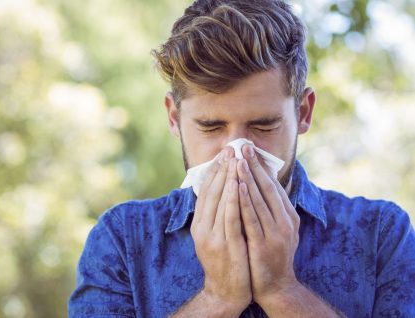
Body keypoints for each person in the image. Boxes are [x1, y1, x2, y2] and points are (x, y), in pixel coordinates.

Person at [68, 0, 415, 317]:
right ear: (174, 118)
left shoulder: (381, 234)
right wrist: (217, 298)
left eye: (263, 125)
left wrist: (283, 291)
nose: (238, 153)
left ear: (304, 112)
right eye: (210, 126)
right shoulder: (123, 241)